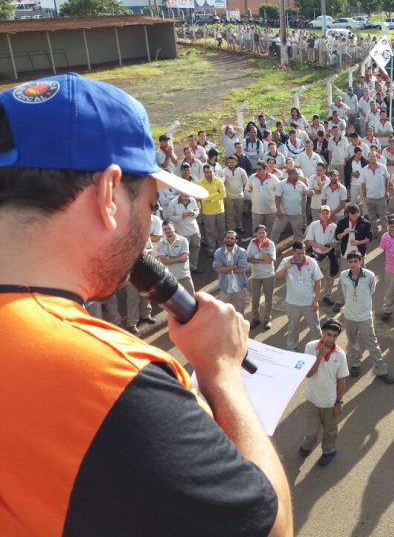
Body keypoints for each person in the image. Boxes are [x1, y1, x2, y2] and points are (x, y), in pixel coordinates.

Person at [0, 74, 290, 534]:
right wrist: (221, 372)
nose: (150, 227)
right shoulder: (113, 378)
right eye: (152, 204)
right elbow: (270, 525)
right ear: (109, 194)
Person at [339, 252, 394, 384]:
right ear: (347, 263)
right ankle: (355, 364)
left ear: (361, 262)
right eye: (350, 262)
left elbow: (372, 291)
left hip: (365, 316)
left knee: (372, 343)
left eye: (355, 261)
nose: (353, 264)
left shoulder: (369, 275)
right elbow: (345, 291)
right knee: (352, 342)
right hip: (349, 316)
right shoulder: (343, 275)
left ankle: (381, 370)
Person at [300, 319, 349, 467]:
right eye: (328, 334)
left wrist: (339, 402)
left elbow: (341, 381)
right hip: (312, 399)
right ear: (322, 332)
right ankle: (307, 445)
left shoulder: (340, 355)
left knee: (330, 431)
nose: (331, 339)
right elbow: (308, 374)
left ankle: (329, 451)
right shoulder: (310, 347)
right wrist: (319, 357)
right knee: (312, 431)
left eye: (335, 336)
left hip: (330, 402)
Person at [275, 242, 323, 351]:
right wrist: (286, 267)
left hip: (309, 302)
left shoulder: (312, 262)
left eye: (303, 253)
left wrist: (316, 300)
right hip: (292, 302)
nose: (301, 256)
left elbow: (318, 282)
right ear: (293, 252)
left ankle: (316, 349)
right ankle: (292, 348)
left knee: (315, 327)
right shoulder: (286, 261)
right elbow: (277, 276)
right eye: (298, 253)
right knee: (292, 328)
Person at [213, 230, 249, 317]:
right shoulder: (218, 252)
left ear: (236, 240)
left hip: (239, 287)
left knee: (239, 314)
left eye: (232, 238)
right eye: (227, 238)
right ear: (224, 239)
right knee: (224, 314)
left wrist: (224, 268)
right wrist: (234, 267)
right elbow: (217, 268)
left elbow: (242, 268)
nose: (229, 240)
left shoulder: (242, 251)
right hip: (225, 288)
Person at [246, 224, 276, 331]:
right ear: (256, 233)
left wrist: (262, 249)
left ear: (266, 233)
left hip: (268, 275)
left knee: (269, 298)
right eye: (259, 232)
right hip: (256, 276)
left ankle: (267, 319)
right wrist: (262, 261)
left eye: (263, 232)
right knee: (255, 298)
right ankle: (255, 319)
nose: (261, 234)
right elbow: (248, 258)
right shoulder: (252, 242)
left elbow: (269, 261)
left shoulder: (271, 244)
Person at [156, 220, 194, 295]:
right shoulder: (160, 243)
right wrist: (178, 258)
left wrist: (169, 258)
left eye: (169, 228)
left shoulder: (183, 240)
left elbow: (184, 258)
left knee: (191, 301)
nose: (167, 231)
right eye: (165, 229)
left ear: (174, 228)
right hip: (169, 278)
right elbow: (164, 261)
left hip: (184, 276)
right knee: (174, 304)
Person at [198, 164, 226, 256]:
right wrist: (216, 194)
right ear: (204, 173)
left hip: (219, 210)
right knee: (210, 232)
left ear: (213, 171)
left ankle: (222, 248)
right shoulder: (200, 183)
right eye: (207, 172)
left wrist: (209, 198)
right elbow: (202, 197)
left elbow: (223, 194)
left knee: (221, 230)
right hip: (208, 212)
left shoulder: (218, 181)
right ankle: (212, 249)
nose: (209, 174)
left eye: (210, 172)